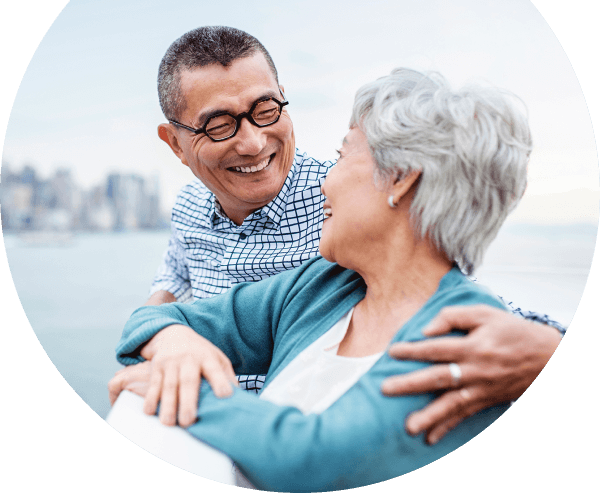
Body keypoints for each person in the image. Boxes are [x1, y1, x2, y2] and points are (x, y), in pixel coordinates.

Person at [109, 26, 564, 443]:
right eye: (219, 125)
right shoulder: (188, 206)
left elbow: (447, 297)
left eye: (265, 109)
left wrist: (545, 349)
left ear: (284, 99)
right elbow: (172, 278)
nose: (252, 142)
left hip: (289, 441)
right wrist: (169, 337)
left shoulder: (346, 212)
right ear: (175, 144)